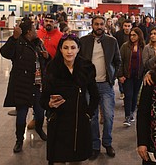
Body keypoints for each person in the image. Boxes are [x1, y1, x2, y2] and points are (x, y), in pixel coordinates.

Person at [40, 34, 100, 165]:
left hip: (79, 123)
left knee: (77, 160)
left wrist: (88, 114)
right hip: (58, 122)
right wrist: (49, 104)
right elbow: (43, 98)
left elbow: (95, 95)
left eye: (73, 47)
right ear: (60, 49)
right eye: (65, 47)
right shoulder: (52, 68)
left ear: (78, 49)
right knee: (58, 159)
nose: (69, 51)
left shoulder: (86, 68)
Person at [0, 18, 50, 153]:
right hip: (23, 85)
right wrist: (13, 38)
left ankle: (39, 129)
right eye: (34, 29)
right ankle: (19, 140)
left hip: (38, 85)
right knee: (21, 115)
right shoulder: (18, 44)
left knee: (40, 113)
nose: (36, 31)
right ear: (28, 32)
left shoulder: (38, 43)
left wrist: (46, 57)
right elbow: (5, 52)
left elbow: (44, 61)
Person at [79, 15, 121, 160]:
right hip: (89, 86)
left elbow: (118, 61)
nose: (99, 27)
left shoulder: (112, 41)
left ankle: (107, 142)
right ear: (92, 25)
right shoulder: (83, 41)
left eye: (101, 24)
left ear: (105, 25)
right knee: (93, 117)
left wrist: (113, 77)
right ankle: (95, 145)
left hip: (105, 85)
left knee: (109, 116)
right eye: (96, 24)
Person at [27, 13, 63, 130]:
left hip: (53, 70)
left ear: (55, 23)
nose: (48, 23)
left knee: (51, 93)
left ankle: (50, 116)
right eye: (46, 21)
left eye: (51, 21)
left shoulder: (60, 36)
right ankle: (36, 117)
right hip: (39, 71)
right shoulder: (37, 34)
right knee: (37, 94)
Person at [117, 27, 145, 127]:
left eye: (134, 35)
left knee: (135, 95)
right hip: (127, 75)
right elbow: (120, 61)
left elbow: (145, 62)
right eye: (131, 35)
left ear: (139, 36)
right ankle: (127, 116)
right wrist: (120, 75)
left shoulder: (143, 46)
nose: (132, 37)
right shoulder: (125, 46)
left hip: (138, 75)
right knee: (128, 95)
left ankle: (132, 112)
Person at [114, 18, 133, 100]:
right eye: (125, 26)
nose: (127, 28)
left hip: (130, 57)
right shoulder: (118, 34)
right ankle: (122, 91)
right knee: (120, 74)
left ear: (131, 26)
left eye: (128, 26)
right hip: (120, 56)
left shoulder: (133, 34)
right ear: (123, 26)